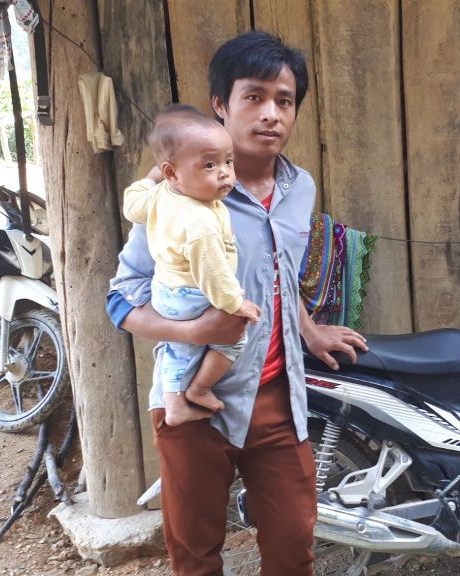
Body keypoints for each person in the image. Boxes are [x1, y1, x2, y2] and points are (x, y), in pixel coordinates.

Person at [105, 31, 367, 576]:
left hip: (279, 398)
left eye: (284, 101)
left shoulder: (299, 188)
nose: (271, 113)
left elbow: (277, 273)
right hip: (195, 404)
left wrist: (309, 329)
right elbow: (121, 300)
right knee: (196, 553)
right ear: (220, 105)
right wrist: (195, 332)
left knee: (294, 547)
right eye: (254, 97)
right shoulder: (172, 199)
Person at [123, 105, 262, 427]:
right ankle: (197, 390)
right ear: (173, 173)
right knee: (232, 340)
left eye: (228, 161)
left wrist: (151, 178)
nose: (224, 172)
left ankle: (176, 401)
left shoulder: (161, 194)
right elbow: (212, 273)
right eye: (210, 165)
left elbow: (132, 206)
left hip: (166, 289)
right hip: (191, 295)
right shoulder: (201, 222)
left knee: (179, 347)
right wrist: (235, 304)